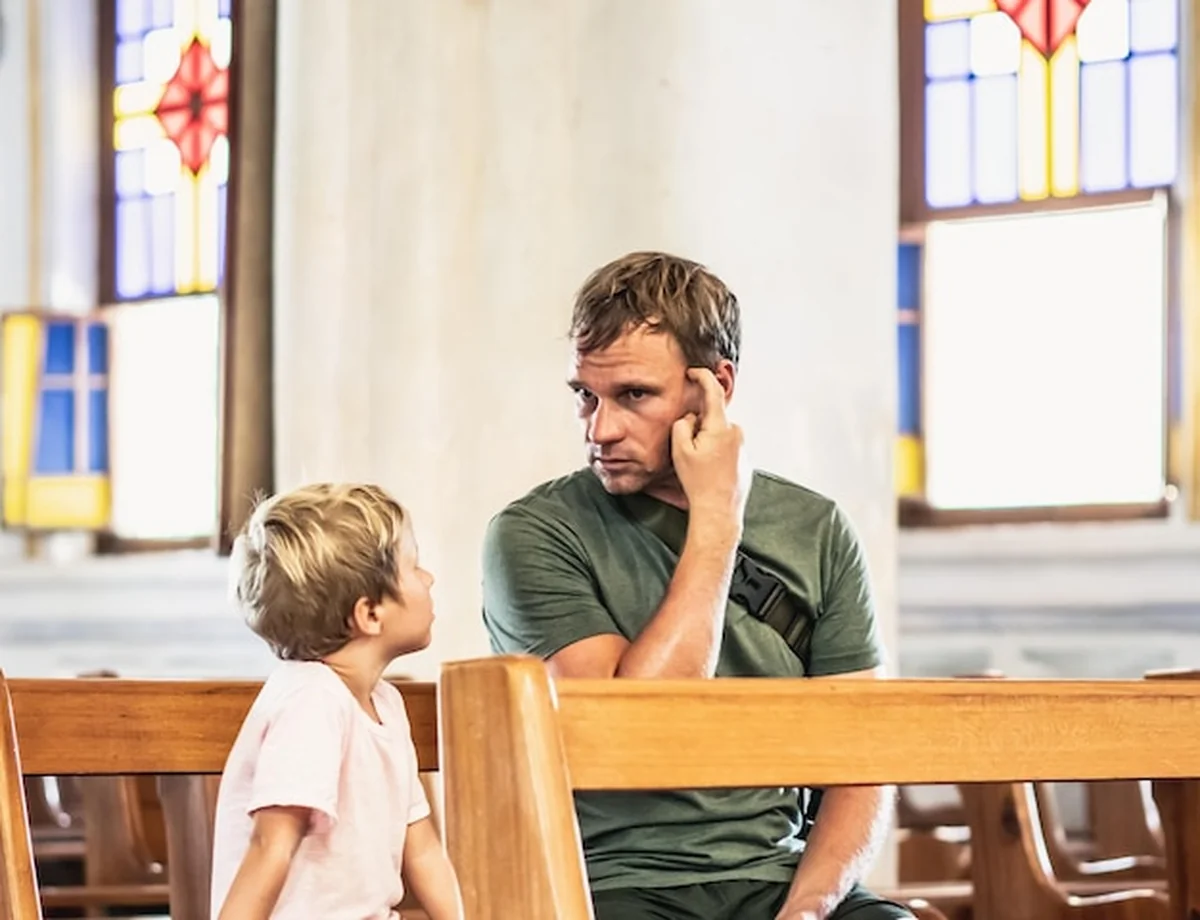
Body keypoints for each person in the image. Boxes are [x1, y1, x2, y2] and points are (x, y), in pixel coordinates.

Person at [481, 252, 910, 920]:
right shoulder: (534, 533)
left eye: (633, 395)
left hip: (781, 878)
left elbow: (862, 761)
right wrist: (717, 521)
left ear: (715, 387)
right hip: (614, 888)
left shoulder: (817, 528)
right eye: (585, 397)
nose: (601, 429)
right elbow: (634, 733)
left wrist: (807, 911)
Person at [211, 483, 463, 920]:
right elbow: (270, 845)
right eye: (414, 566)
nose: (429, 578)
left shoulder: (385, 702)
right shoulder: (312, 700)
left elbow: (421, 849)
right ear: (369, 614)